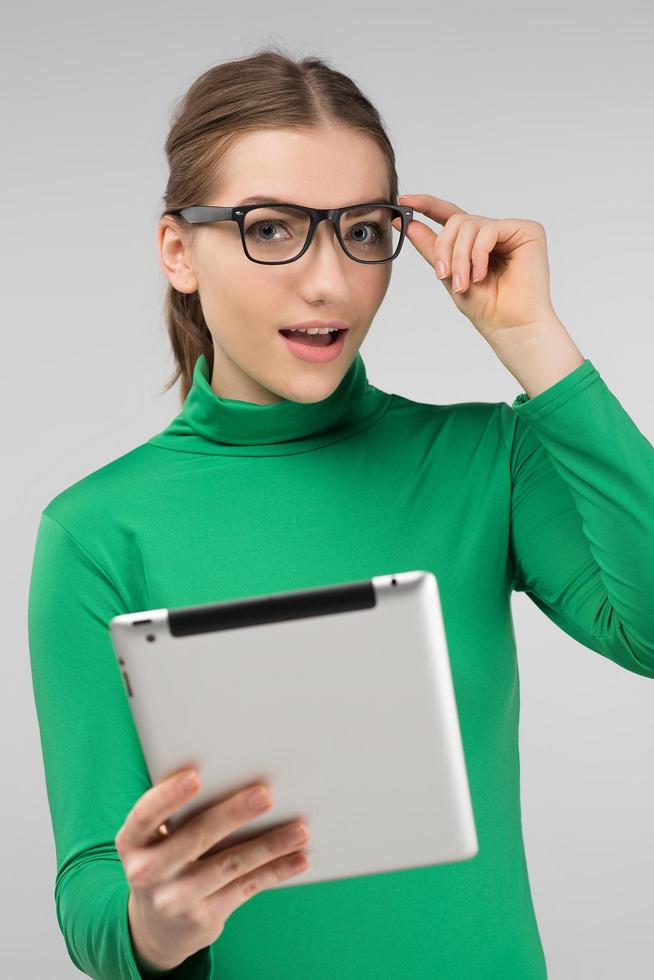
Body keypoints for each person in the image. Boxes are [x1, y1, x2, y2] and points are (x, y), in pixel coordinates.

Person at [27, 45, 654, 980]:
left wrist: (534, 342)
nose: (330, 282)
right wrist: (153, 922)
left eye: (362, 231)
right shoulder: (95, 533)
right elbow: (90, 886)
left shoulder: (487, 459)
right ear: (177, 250)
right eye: (272, 228)